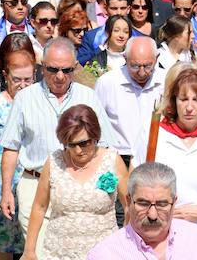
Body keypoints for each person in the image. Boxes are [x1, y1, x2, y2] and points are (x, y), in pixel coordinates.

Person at [0, 38, 116, 248]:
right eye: (53, 69)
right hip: (34, 186)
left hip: (78, 187)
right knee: (40, 251)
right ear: (42, 68)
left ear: (74, 67)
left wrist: (103, 186)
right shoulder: (25, 99)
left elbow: (106, 146)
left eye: (67, 70)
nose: (60, 76)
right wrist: (7, 190)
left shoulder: (88, 97)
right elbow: (11, 147)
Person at [131, 67, 197, 230]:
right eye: (183, 99)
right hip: (158, 231)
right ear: (174, 101)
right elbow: (132, 186)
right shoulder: (153, 132)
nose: (189, 107)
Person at [20, 105, 127, 260]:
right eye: (71, 144)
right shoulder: (54, 162)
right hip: (58, 253)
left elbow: (129, 206)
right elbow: (39, 207)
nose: (78, 150)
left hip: (104, 252)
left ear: (95, 136)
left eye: (84, 143)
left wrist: (126, 243)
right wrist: (29, 250)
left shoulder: (112, 160)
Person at [86, 161, 197, 259]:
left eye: (162, 204)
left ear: (174, 202)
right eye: (143, 203)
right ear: (128, 201)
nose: (152, 215)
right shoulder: (104, 254)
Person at [95, 37, 166, 165]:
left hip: (158, 157)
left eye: (148, 66)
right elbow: (96, 123)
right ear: (124, 58)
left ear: (157, 58)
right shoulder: (107, 83)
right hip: (119, 159)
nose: (142, 72)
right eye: (135, 66)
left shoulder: (168, 81)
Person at [0, 34, 36, 259]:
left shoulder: (39, 103)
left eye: (28, 80)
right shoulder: (1, 104)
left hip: (32, 184)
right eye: (16, 80)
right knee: (4, 245)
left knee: (30, 244)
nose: (22, 86)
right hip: (4, 185)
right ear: (5, 76)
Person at [78, 0, 132, 65]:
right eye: (114, 8)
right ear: (105, 9)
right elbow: (80, 64)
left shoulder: (137, 37)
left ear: (129, 9)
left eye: (123, 8)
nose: (119, 12)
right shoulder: (92, 37)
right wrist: (100, 49)